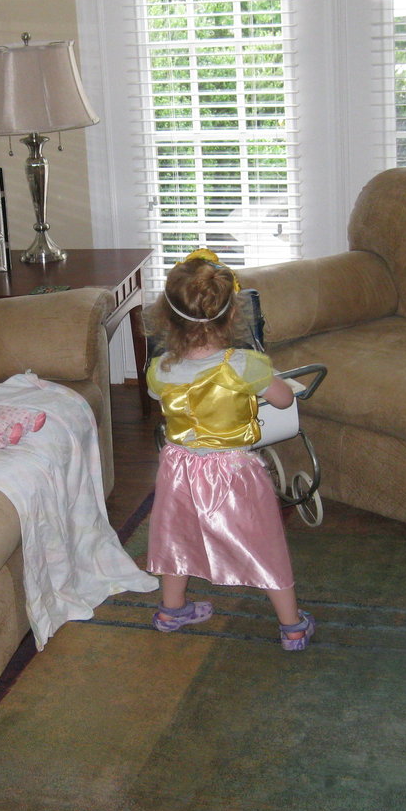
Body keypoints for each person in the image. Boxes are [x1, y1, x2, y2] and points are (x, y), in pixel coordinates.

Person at [144, 249, 314, 650]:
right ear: (233, 314)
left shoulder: (160, 369)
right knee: (264, 542)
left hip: (179, 469)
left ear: (168, 318)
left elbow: (158, 396)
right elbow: (283, 400)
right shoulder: (246, 365)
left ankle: (172, 610)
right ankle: (291, 626)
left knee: (176, 536)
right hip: (233, 471)